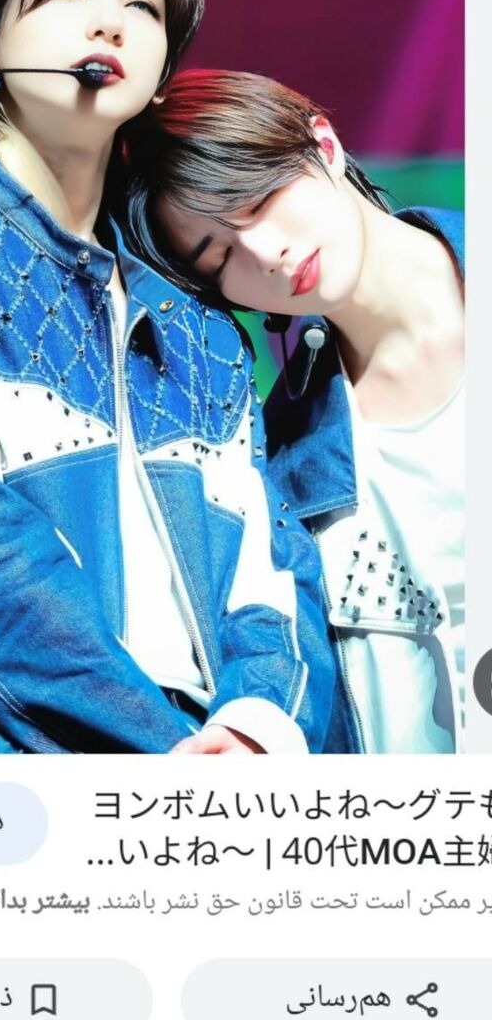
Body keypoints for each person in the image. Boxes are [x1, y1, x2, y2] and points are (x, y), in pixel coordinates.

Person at [0, 0, 332, 755]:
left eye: (143, 6)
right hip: (16, 772)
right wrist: (162, 755)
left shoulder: (203, 333)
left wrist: (253, 729)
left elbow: (274, 573)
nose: (111, 24)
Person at [124, 68, 465, 753]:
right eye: (218, 255)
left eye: (259, 199)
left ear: (324, 145)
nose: (264, 251)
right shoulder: (280, 461)